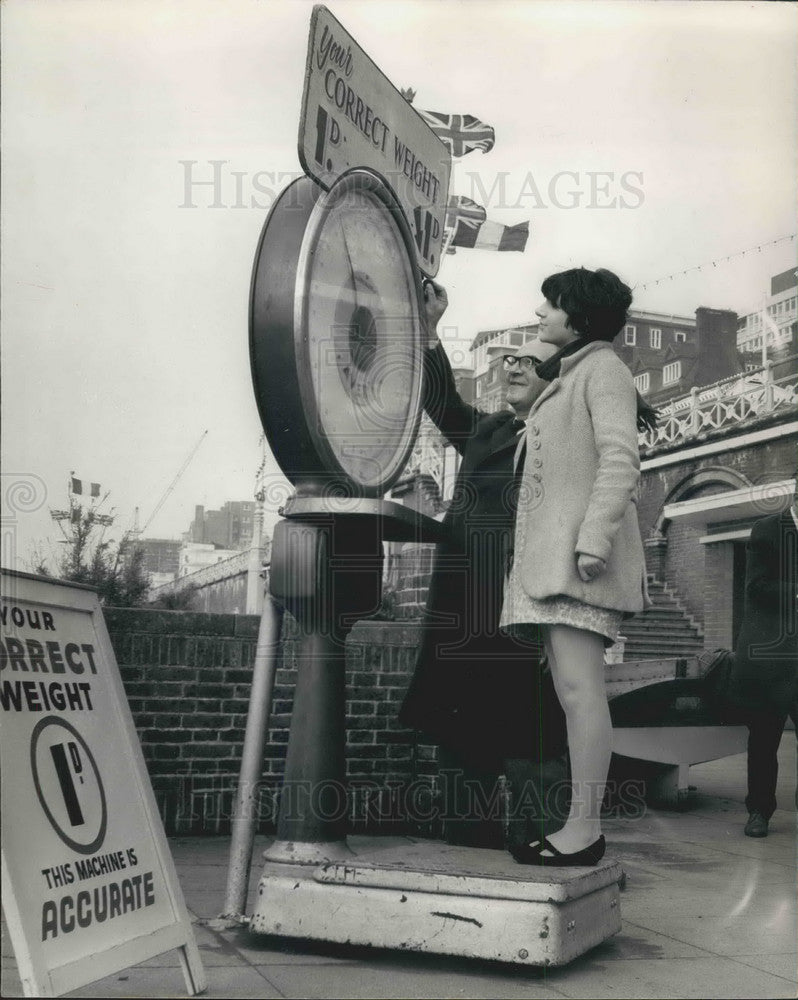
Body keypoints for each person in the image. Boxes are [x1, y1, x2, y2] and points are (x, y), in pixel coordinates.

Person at [399, 279, 567, 848]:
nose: (515, 367)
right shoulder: (489, 429)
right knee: (461, 716)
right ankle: (466, 832)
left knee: (533, 727)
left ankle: (540, 838)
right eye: (512, 360)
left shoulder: (564, 437)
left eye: (531, 362)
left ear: (557, 380)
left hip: (526, 605)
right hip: (464, 606)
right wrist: (428, 328)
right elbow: (441, 399)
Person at [500, 267, 652, 867]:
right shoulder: (574, 372)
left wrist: (593, 541)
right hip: (556, 565)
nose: (539, 313)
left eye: (550, 305)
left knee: (581, 691)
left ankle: (584, 829)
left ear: (579, 315)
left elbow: (621, 460)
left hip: (578, 564)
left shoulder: (603, 370)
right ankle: (579, 825)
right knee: (572, 691)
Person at [731, 492, 798, 838]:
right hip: (771, 660)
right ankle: (759, 811)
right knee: (763, 742)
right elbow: (756, 588)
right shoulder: (767, 530)